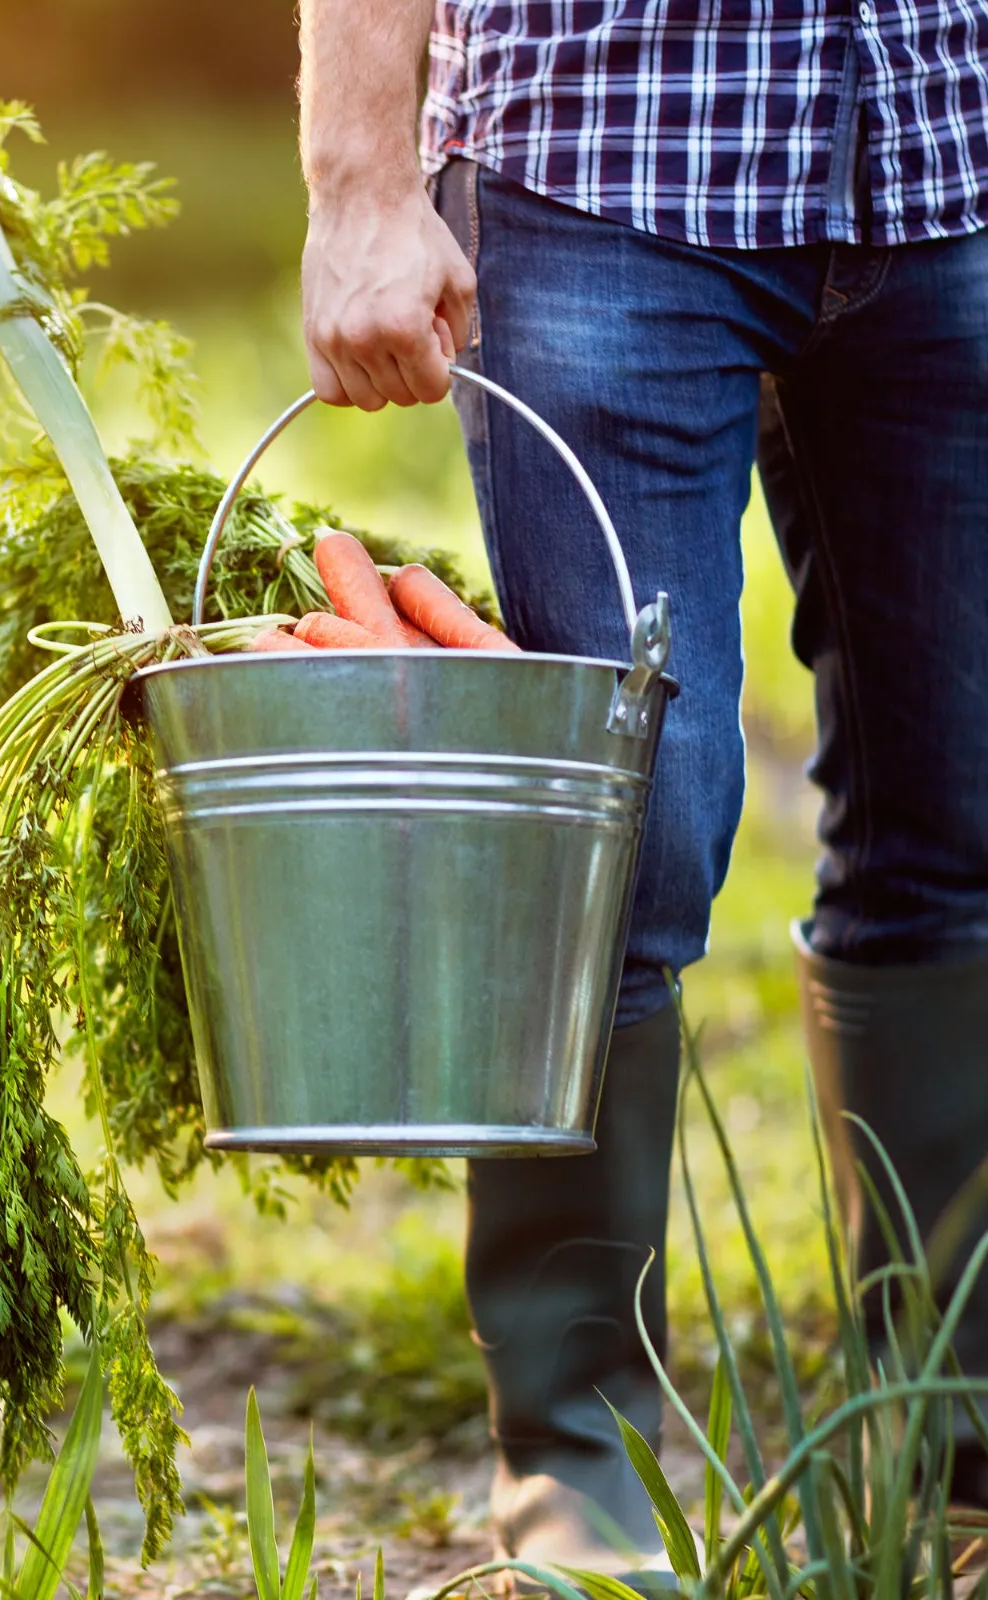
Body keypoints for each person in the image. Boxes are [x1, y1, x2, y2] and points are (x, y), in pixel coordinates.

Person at [299, 0, 988, 1588]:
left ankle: (960, 1452)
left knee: (962, 828)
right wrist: (360, 182)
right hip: (609, 165)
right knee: (613, 848)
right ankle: (576, 1458)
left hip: (952, 152)